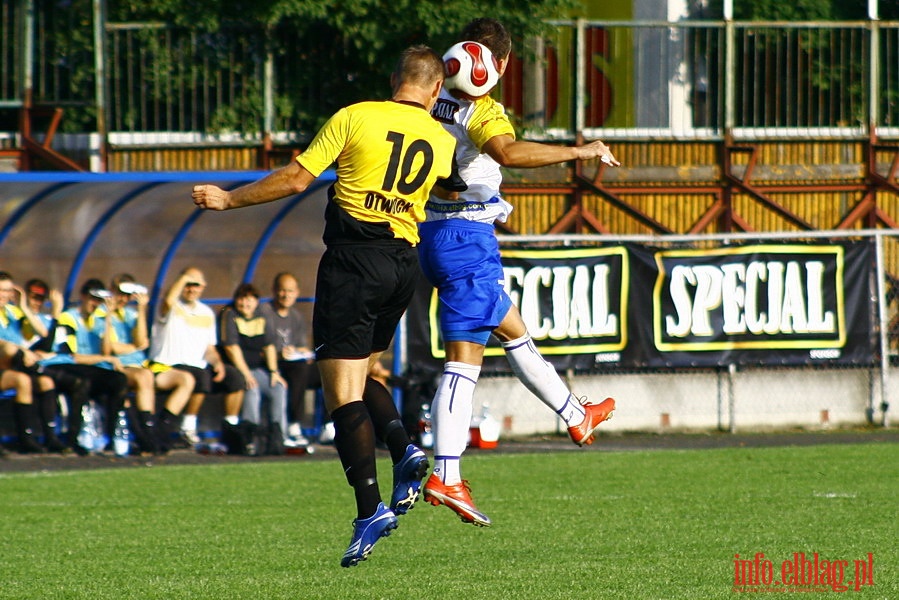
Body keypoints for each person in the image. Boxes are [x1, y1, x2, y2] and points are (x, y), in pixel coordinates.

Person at [192, 44, 458, 567]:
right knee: (365, 375)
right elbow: (450, 188)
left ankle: (369, 510)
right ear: (432, 90)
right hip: (403, 264)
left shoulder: (355, 116)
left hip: (354, 262)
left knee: (341, 399)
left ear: (393, 80)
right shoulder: (441, 136)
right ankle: (404, 448)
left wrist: (229, 199)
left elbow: (296, 178)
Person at [418, 19, 620, 527]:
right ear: (501, 64)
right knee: (464, 363)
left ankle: (577, 416)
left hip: (441, 232)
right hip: (463, 239)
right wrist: (579, 150)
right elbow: (509, 153)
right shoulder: (481, 109)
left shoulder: (430, 94)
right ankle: (446, 473)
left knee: (514, 331)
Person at [148, 267, 245, 447]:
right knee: (201, 377)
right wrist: (184, 277)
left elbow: (209, 348)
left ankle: (231, 427)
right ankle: (187, 428)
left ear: (203, 287)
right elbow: (168, 299)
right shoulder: (171, 307)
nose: (192, 289)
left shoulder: (206, 312)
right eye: (187, 285)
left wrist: (217, 363)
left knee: (235, 378)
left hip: (197, 366)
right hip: (167, 365)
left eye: (196, 285)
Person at [102, 274, 195, 452]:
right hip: (118, 367)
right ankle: (147, 431)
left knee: (186, 379)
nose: (123, 299)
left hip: (141, 365)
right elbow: (110, 348)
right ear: (111, 291)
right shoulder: (103, 313)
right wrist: (133, 346)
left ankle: (161, 430)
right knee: (144, 377)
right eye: (119, 293)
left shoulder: (131, 314)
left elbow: (141, 340)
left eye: (128, 295)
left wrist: (142, 309)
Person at [219, 282, 297, 450]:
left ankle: (279, 436)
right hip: (238, 369)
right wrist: (246, 374)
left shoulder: (262, 316)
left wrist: (274, 372)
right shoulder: (230, 314)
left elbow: (269, 346)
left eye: (249, 300)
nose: (245, 304)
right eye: (241, 300)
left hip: (259, 369)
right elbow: (232, 348)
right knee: (252, 389)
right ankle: (251, 436)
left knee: (279, 388)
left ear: (256, 302)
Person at [0, 272, 70, 453]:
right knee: (11, 352)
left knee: (42, 382)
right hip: (7, 364)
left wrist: (24, 306)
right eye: (0, 290)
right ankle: (40, 370)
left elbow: (44, 334)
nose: (4, 294)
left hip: (15, 368)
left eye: (8, 290)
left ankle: (43, 438)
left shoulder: (11, 313)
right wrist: (23, 351)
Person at [259, 272, 313, 446]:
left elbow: (303, 346)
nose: (286, 295)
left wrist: (296, 350)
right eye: (282, 290)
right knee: (300, 370)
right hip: (268, 363)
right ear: (274, 291)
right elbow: (259, 346)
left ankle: (330, 426)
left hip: (292, 362)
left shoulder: (296, 317)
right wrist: (280, 353)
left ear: (297, 293)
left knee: (329, 374)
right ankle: (293, 425)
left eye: (290, 291)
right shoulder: (265, 312)